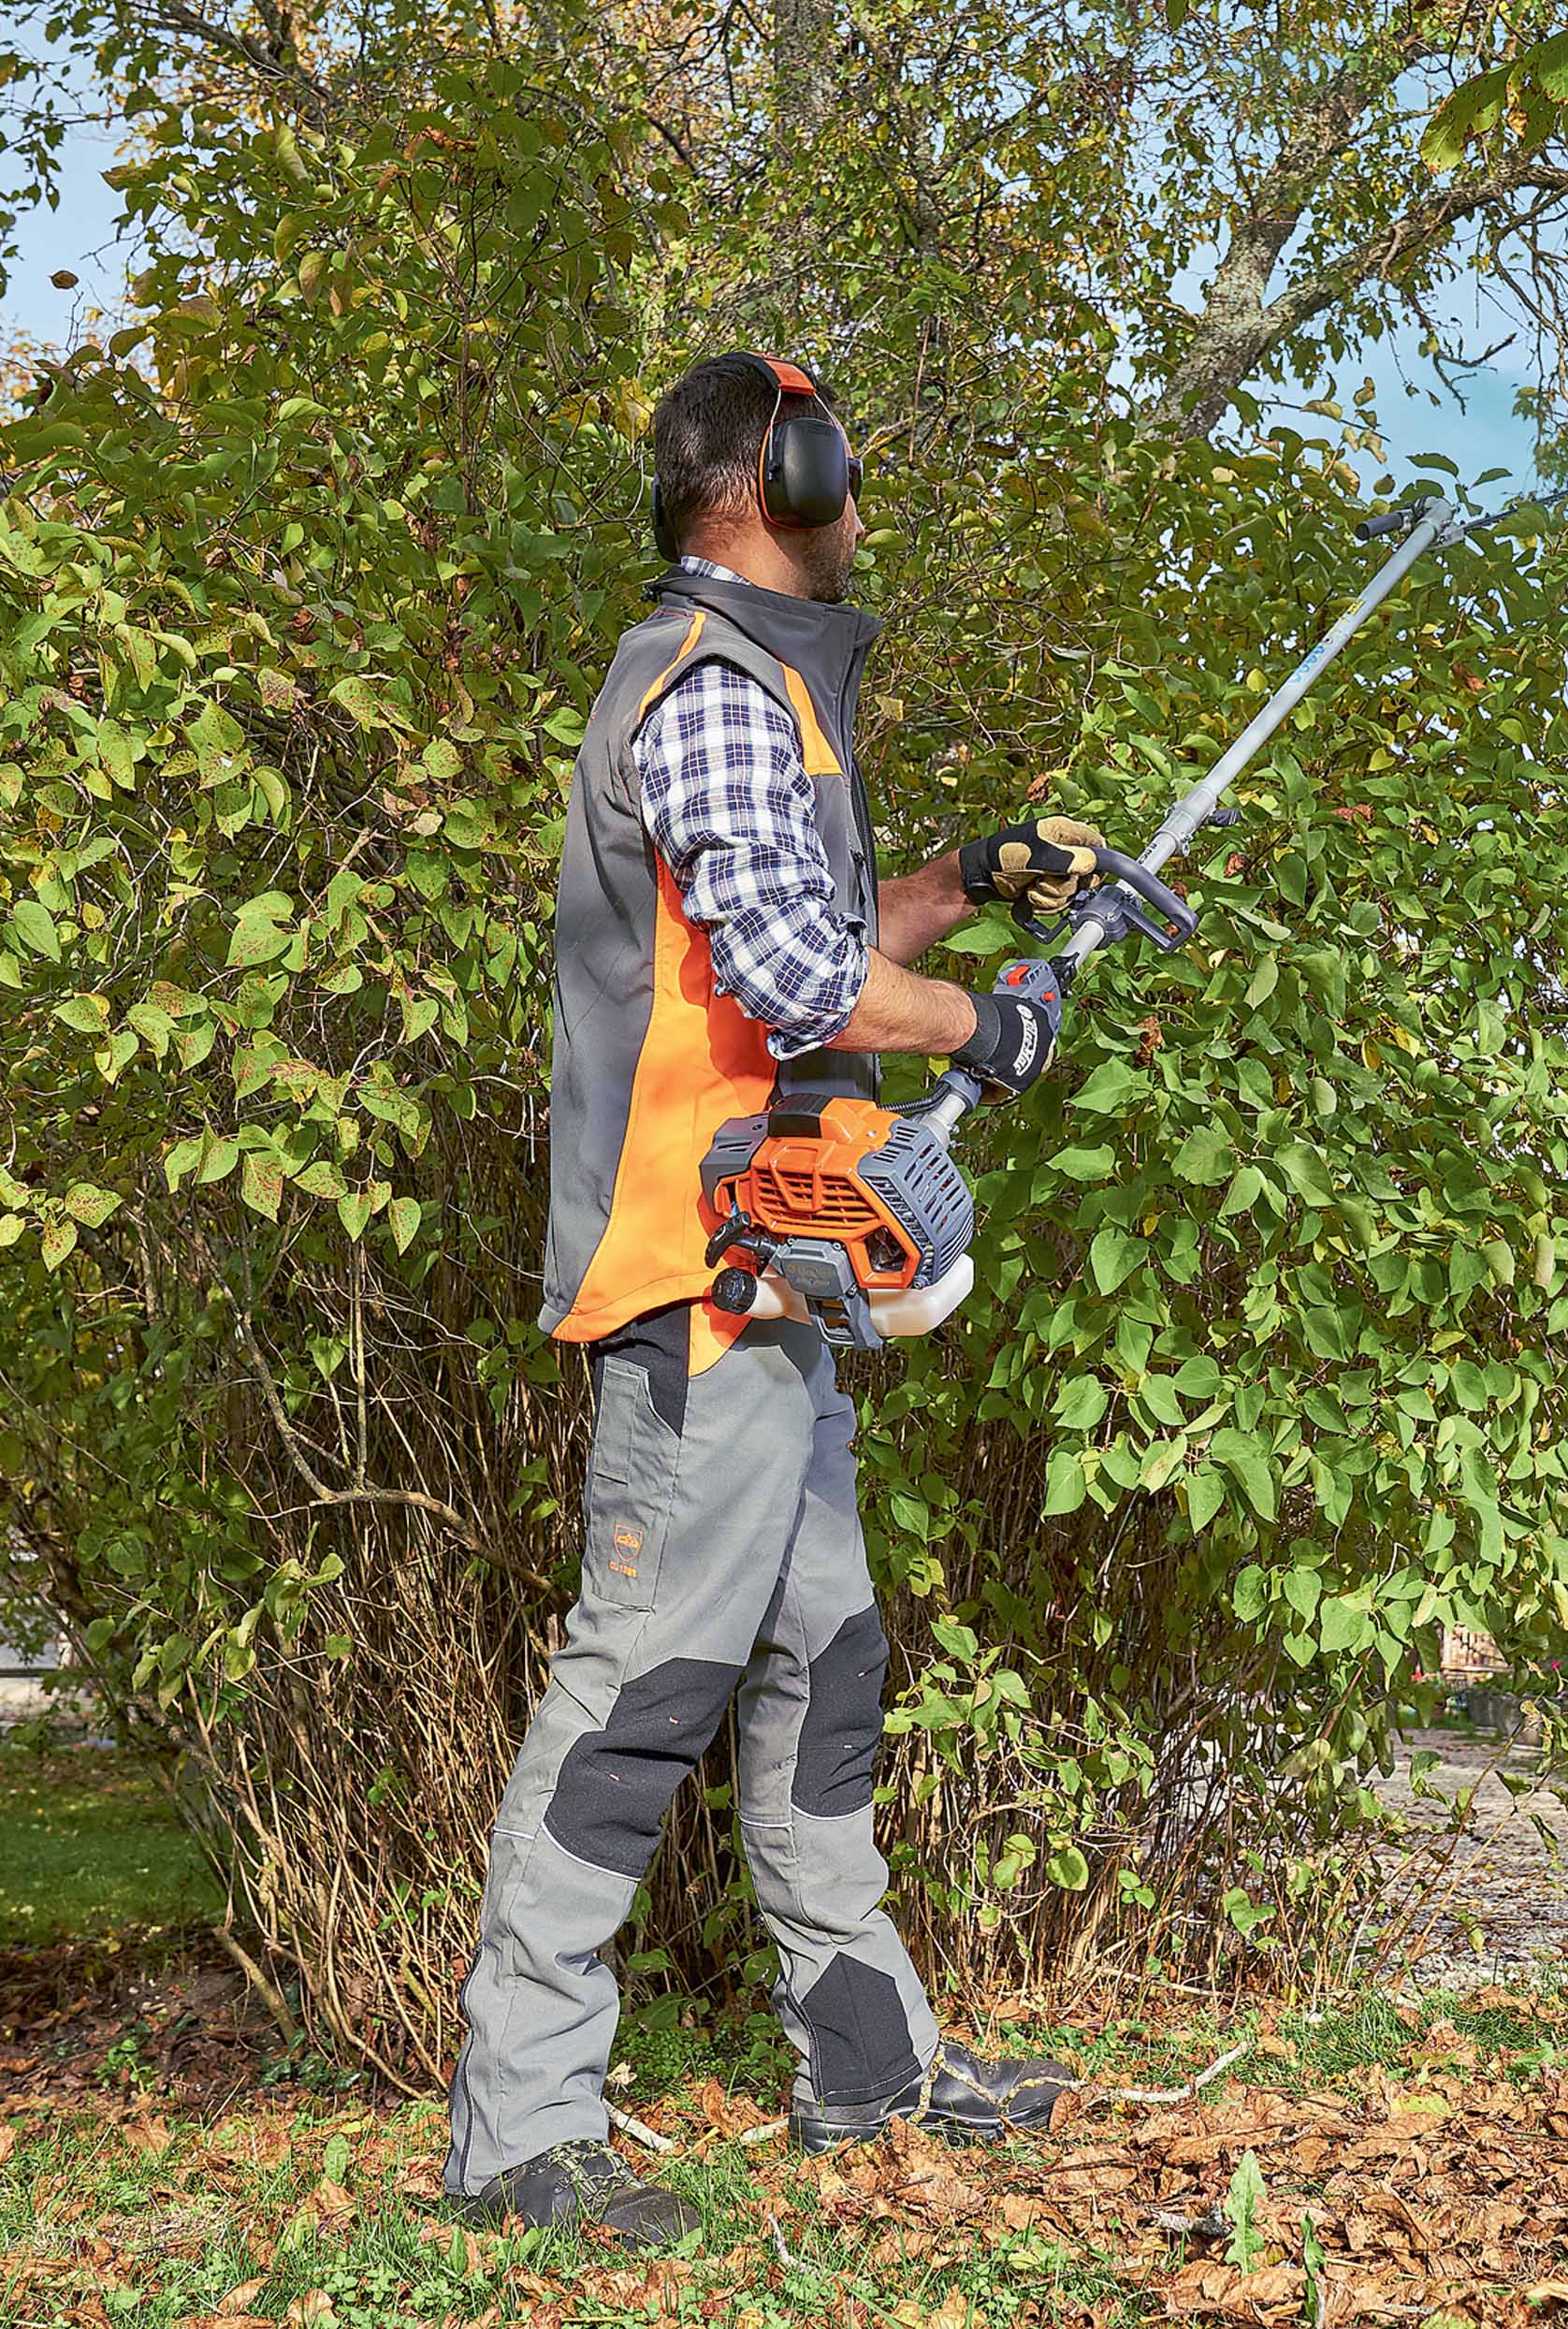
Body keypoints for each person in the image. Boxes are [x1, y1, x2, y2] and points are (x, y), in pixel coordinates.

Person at [443, 351, 1106, 2236]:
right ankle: (519, 2127)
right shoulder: (716, 689)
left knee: (824, 1674)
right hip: (692, 1284)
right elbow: (805, 991)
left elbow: (811, 932)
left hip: (777, 1292)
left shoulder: (758, 701)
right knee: (635, 1695)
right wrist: (994, 1025)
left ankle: (864, 2067)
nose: (857, 492)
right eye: (837, 460)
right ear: (770, 477)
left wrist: (973, 883)